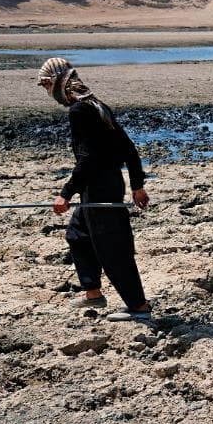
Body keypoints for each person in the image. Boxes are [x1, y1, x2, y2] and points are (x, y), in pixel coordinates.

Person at [37, 57, 152, 322]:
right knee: (77, 235)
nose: (47, 92)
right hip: (104, 184)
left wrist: (65, 193)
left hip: (99, 187)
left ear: (57, 82)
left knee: (113, 249)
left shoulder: (80, 110)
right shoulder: (97, 105)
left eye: (46, 85)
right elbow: (129, 149)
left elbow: (88, 159)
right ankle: (93, 293)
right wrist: (136, 186)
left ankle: (139, 307)